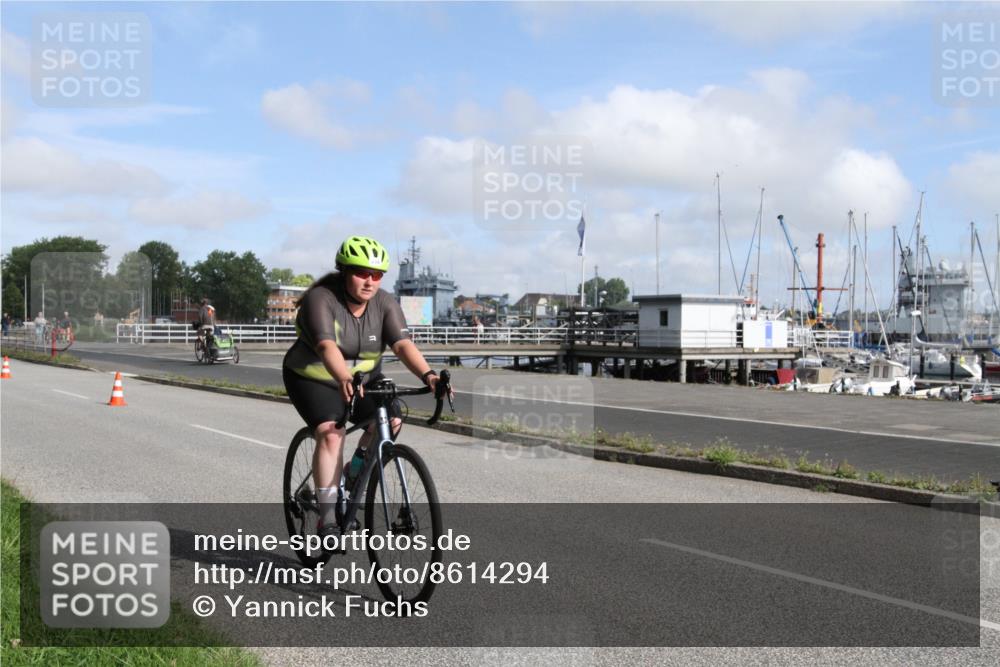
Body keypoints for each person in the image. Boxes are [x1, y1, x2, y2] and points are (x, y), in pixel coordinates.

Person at [282, 235, 450, 541]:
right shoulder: (321, 298)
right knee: (332, 434)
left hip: (363, 381)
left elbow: (402, 346)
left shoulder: (385, 303)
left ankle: (353, 472)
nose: (370, 281)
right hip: (313, 377)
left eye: (377, 275)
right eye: (362, 273)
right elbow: (325, 345)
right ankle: (328, 518)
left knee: (392, 420)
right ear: (344, 270)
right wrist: (343, 376)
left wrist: (429, 376)